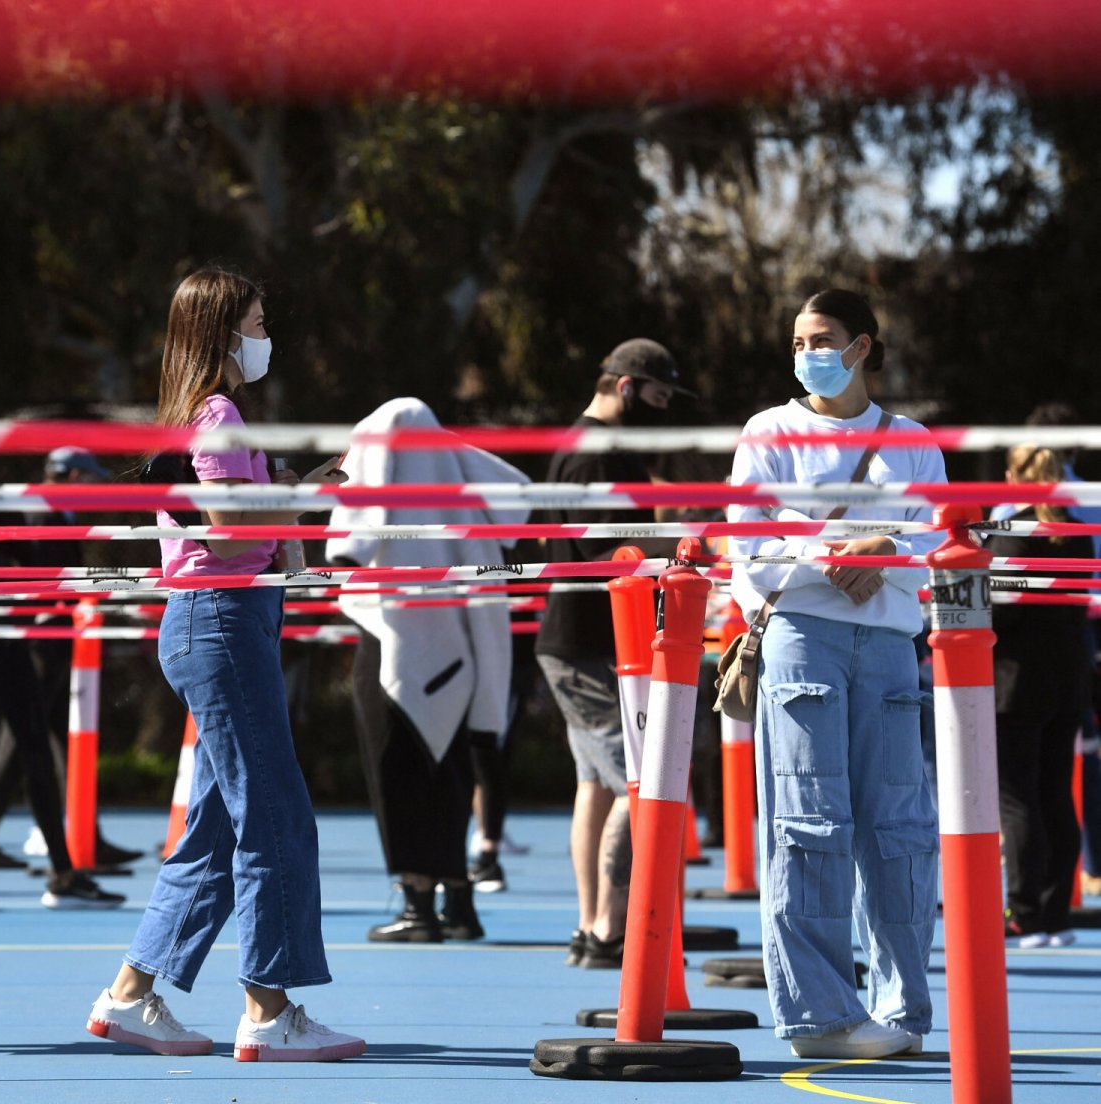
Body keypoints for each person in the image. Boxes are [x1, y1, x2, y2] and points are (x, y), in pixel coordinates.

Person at [84, 267, 364, 1062]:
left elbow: (249, 530)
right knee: (273, 814)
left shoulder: (206, 414)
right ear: (222, 332)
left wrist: (295, 497)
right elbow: (234, 533)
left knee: (212, 828)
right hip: (221, 622)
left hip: (223, 621)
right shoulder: (216, 414)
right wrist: (300, 499)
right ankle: (269, 1012)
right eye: (258, 320)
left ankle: (131, 997)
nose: (266, 334)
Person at [727, 289, 946, 1060]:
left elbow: (934, 538)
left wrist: (884, 552)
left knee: (901, 834)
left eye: (819, 339)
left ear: (861, 347)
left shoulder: (914, 438)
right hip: (802, 638)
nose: (804, 353)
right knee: (807, 827)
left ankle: (901, 1011)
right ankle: (820, 1019)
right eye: (795, 341)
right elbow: (744, 545)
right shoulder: (768, 431)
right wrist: (837, 556)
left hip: (888, 645)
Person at [326, 397, 531, 943]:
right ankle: (458, 901)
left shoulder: (401, 505)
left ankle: (417, 902)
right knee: (453, 777)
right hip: (463, 664)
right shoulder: (469, 509)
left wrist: (349, 548)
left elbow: (356, 527)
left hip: (393, 643)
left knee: (397, 775)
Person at [533, 339, 690, 968]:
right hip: (584, 640)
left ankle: (590, 925)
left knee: (596, 785)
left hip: (592, 639)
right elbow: (593, 548)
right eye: (657, 398)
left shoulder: (599, 447)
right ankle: (608, 926)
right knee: (637, 777)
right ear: (625, 388)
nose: (664, 412)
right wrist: (670, 538)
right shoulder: (594, 448)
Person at [0, 446, 144, 871]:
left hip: (58, 639)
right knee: (20, 741)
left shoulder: (57, 512)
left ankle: (85, 836)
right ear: (70, 477)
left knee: (61, 746)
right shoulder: (41, 512)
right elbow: (43, 579)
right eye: (89, 479)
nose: (94, 489)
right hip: (42, 643)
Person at [985, 444, 1088, 947]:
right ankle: (1054, 912)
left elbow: (999, 615)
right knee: (1054, 794)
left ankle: (1024, 912)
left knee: (1017, 798)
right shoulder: (1074, 533)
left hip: (1015, 682)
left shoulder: (1011, 534)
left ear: (1012, 477)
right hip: (1067, 680)